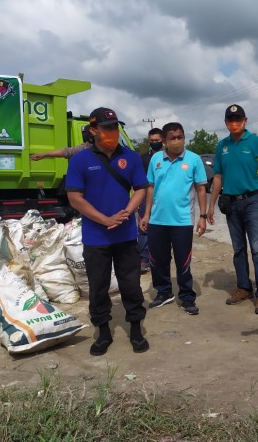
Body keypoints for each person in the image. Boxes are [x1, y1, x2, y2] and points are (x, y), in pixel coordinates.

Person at [65, 107, 149, 356]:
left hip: (125, 235)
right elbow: (74, 198)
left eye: (114, 127)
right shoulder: (80, 160)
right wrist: (104, 219)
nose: (112, 132)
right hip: (96, 236)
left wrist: (126, 213)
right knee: (98, 286)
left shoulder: (131, 157)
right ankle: (103, 331)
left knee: (131, 284)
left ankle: (136, 328)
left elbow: (141, 189)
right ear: (94, 130)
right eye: (106, 128)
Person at [207, 104, 258, 315]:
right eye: (230, 120)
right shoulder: (222, 146)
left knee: (257, 249)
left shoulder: (255, 142)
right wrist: (211, 205)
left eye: (238, 119)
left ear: (245, 121)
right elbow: (218, 176)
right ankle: (244, 288)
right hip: (231, 203)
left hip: (254, 200)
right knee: (238, 249)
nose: (234, 123)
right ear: (226, 123)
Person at [140, 122, 207, 315]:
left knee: (183, 261)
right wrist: (146, 214)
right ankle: (164, 292)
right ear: (165, 141)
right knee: (158, 260)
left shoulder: (194, 159)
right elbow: (150, 187)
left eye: (180, 137)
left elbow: (201, 189)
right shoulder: (156, 160)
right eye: (172, 138)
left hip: (182, 221)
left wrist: (202, 216)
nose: (177, 141)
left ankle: (187, 296)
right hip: (157, 220)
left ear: (184, 137)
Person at [137, 127, 164, 273]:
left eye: (157, 140)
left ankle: (159, 258)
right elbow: (138, 181)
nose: (154, 142)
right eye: (152, 140)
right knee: (144, 229)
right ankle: (144, 259)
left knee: (162, 230)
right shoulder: (143, 158)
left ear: (163, 140)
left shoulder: (168, 157)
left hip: (163, 200)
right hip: (145, 199)